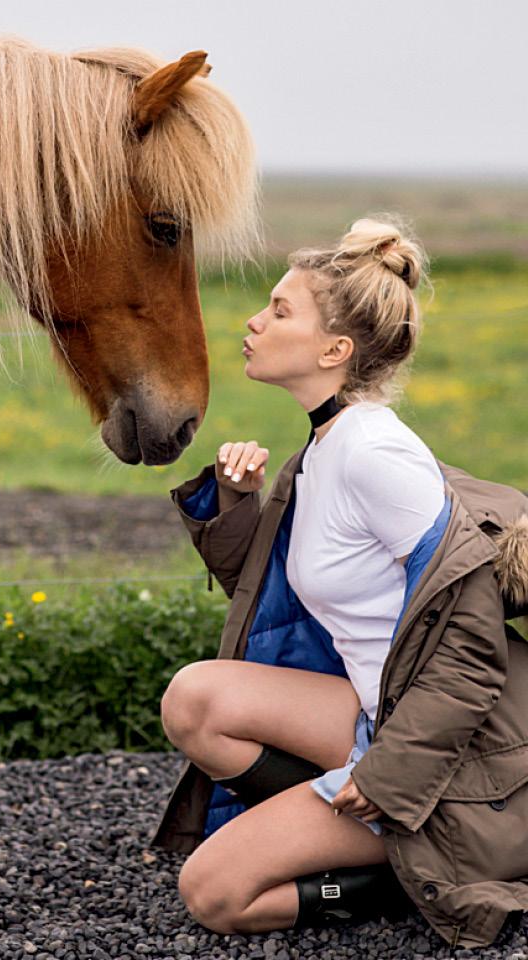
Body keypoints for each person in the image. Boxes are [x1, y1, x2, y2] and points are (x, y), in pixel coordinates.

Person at [152, 217, 528, 949]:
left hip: (453, 749)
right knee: (196, 699)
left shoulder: (374, 455)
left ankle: (408, 866)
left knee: (215, 894)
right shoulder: (324, 449)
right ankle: (338, 825)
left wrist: (387, 778)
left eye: (280, 311)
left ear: (334, 350)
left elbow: (472, 646)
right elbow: (277, 598)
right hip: (372, 712)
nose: (254, 322)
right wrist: (237, 502)